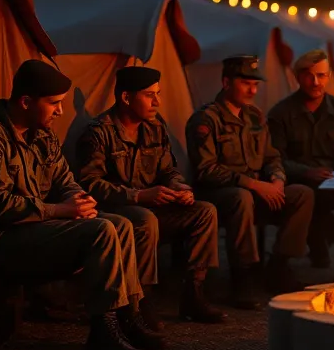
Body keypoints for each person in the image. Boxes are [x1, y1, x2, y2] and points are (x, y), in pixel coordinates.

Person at [0, 60, 158, 350]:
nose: (60, 112)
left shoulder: (41, 135)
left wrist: (77, 198)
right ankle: (103, 336)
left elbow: (64, 180)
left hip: (33, 229)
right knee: (100, 231)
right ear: (26, 101)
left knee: (119, 224)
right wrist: (63, 210)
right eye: (54, 104)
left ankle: (128, 319)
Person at [75, 65, 225, 329]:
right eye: (149, 95)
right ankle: (140, 301)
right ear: (126, 98)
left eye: (158, 94)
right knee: (144, 219)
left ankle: (194, 292)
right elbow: (90, 185)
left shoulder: (155, 128)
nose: (157, 101)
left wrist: (179, 188)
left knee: (205, 211)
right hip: (118, 213)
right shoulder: (99, 133)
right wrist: (139, 195)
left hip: (154, 206)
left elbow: (168, 169)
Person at [187, 55, 314, 309]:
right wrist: (254, 185)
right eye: (246, 83)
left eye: (255, 85)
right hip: (219, 195)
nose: (252, 90)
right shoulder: (206, 120)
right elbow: (206, 170)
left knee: (302, 193)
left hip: (258, 190)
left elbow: (271, 156)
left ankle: (279, 265)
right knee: (240, 197)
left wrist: (277, 180)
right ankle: (242, 276)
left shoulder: (255, 117)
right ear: (226, 82)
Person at [266, 49, 334, 282]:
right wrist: (306, 172)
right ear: (297, 77)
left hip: (333, 183)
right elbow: (274, 159)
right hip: (298, 183)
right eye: (309, 75)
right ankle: (281, 264)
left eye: (321, 76)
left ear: (329, 76)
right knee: (304, 196)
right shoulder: (281, 114)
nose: (316, 82)